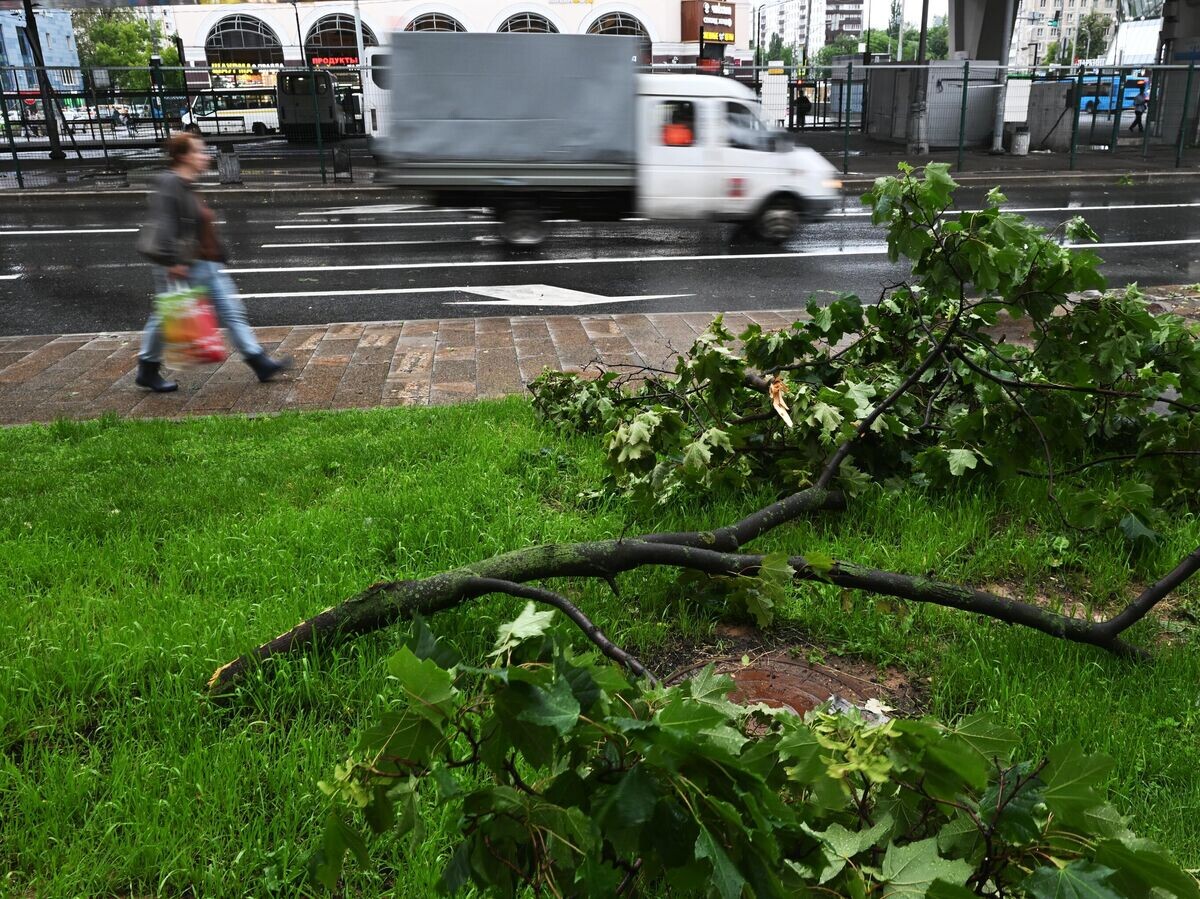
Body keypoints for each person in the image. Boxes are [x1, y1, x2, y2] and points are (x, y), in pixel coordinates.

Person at [136, 132, 291, 393]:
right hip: (181, 265)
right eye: (198, 151)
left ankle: (259, 362)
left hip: (207, 263)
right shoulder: (170, 183)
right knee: (164, 318)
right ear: (183, 156)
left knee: (232, 313)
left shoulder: (188, 183)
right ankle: (147, 369)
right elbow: (164, 224)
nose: (204, 156)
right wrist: (173, 261)